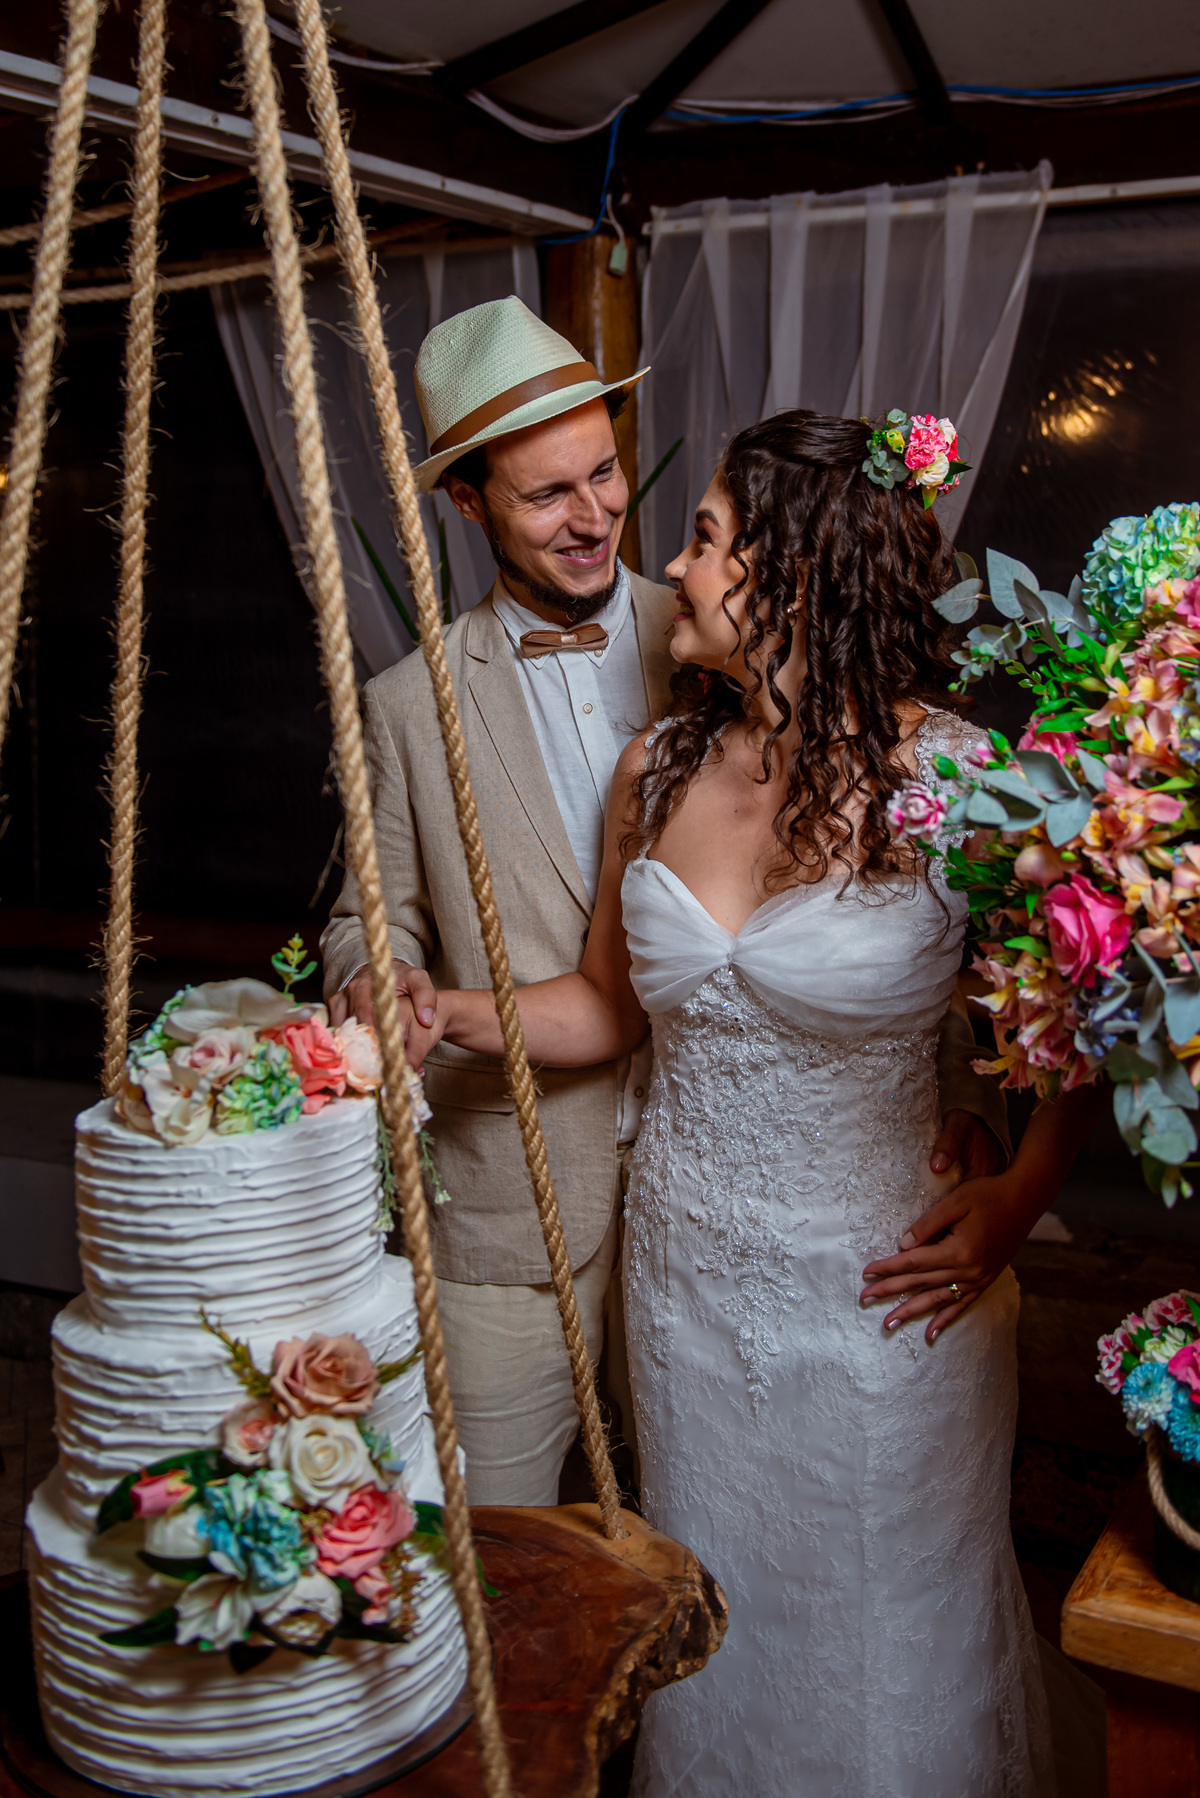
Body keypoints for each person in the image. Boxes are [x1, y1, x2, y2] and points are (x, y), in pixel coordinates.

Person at [410, 409, 1102, 1795]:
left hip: (883, 1294)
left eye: (710, 535)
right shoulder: (656, 770)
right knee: (716, 1633)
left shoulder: (963, 786)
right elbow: (605, 1007)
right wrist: (444, 1016)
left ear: (789, 577)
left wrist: (1016, 1197)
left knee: (882, 1644)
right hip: (686, 1290)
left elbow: (1083, 1021)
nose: (678, 559)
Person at [321, 300, 1010, 1512]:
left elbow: (946, 954)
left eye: (607, 475)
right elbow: (367, 917)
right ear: (470, 504)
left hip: (808, 1220)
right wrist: (383, 985)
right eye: (547, 496)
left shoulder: (716, 628)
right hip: (519, 1211)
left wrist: (978, 1124)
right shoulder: (404, 706)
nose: (596, 519)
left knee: (727, 1550)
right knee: (503, 1570)